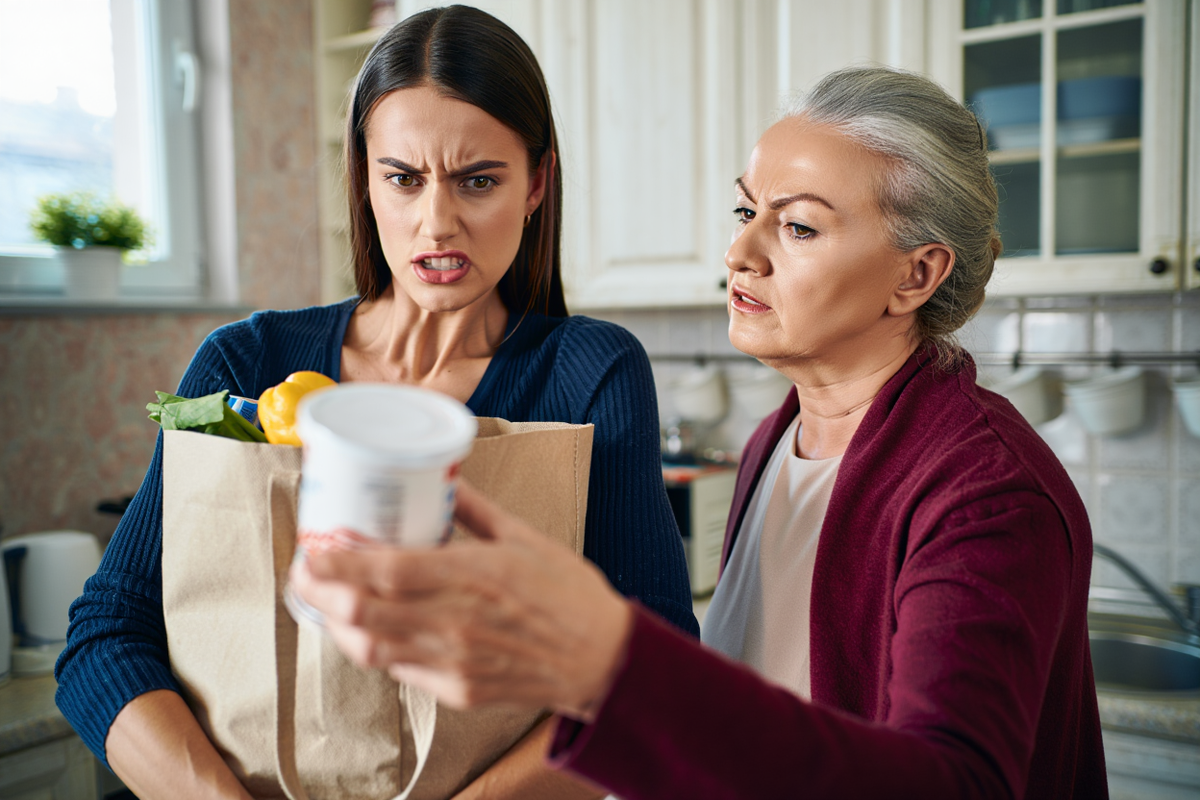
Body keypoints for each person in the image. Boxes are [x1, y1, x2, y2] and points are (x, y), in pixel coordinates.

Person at [292, 66, 1108, 799]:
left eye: (798, 227)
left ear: (916, 274)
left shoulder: (987, 495)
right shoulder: (778, 443)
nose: (739, 251)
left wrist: (608, 664)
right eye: (746, 209)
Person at [54, 6, 696, 799]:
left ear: (537, 184)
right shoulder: (249, 363)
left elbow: (653, 666)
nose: (437, 222)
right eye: (404, 177)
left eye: (479, 180)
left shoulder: (592, 373)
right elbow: (106, 637)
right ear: (364, 175)